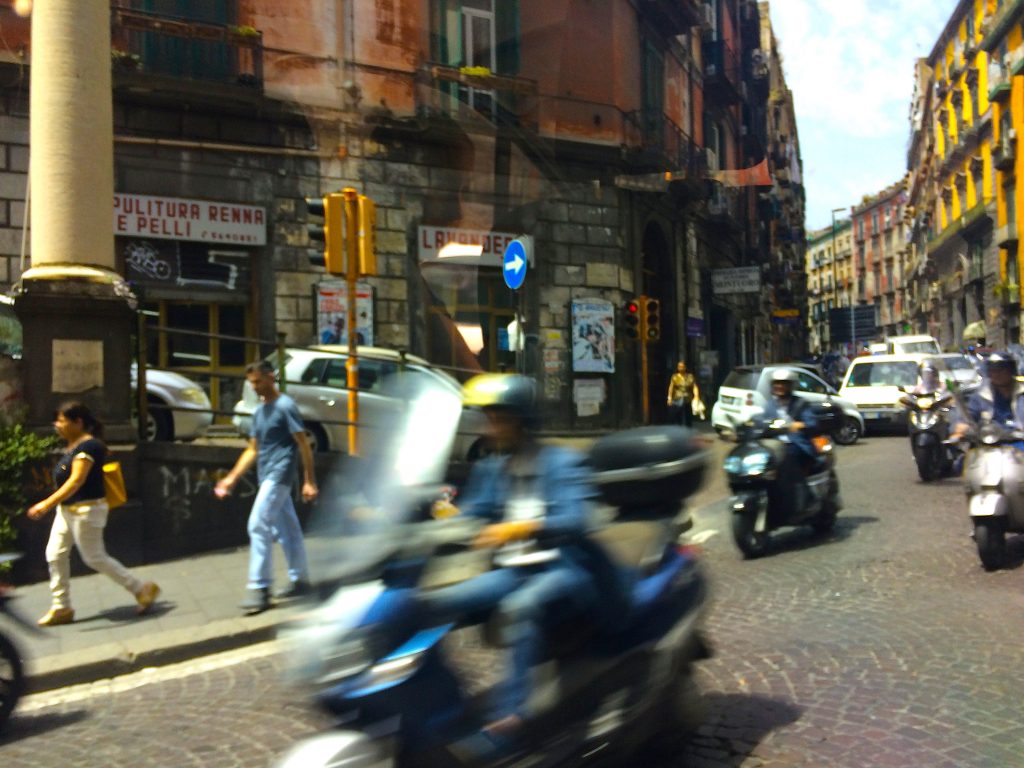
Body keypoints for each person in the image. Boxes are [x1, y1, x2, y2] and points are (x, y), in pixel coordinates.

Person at [418, 374, 609, 738]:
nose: (491, 426)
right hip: (513, 570)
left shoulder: (562, 463)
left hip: (561, 569)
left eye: (499, 418)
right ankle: (442, 705)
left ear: (522, 420)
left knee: (522, 607)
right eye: (490, 418)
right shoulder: (493, 468)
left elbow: (577, 519)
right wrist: (437, 513)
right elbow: (475, 512)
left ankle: (514, 714)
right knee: (434, 604)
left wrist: (520, 528)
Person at [27, 402, 160, 626]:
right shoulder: (73, 446)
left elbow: (76, 480)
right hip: (67, 510)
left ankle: (142, 588)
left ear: (78, 422)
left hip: (86, 511)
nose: (56, 425)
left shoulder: (89, 447)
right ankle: (62, 607)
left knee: (94, 558)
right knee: (55, 554)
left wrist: (45, 504)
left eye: (61, 420)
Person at [215, 360, 318, 614]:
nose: (255, 387)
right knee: (289, 529)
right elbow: (253, 449)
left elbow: (303, 444)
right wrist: (231, 478)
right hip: (266, 474)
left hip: (279, 474)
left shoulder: (285, 407)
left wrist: (309, 480)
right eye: (251, 383)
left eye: (258, 381)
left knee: (258, 524)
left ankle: (260, 587)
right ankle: (301, 581)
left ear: (271, 377)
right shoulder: (260, 412)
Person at [951, 352, 1024, 439]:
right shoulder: (981, 396)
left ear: (1011, 371)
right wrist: (959, 432)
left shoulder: (1022, 393)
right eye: (993, 371)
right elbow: (967, 418)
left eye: (1001, 370)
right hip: (990, 442)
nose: (997, 374)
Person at [666, 361, 700, 427]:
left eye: (682, 367)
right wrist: (669, 398)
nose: (681, 368)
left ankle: (688, 427)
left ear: (685, 367)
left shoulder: (690, 376)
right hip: (677, 398)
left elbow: (694, 386)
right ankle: (679, 427)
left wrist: (696, 396)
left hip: (687, 398)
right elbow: (671, 387)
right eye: (679, 367)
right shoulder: (675, 377)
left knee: (688, 414)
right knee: (678, 414)